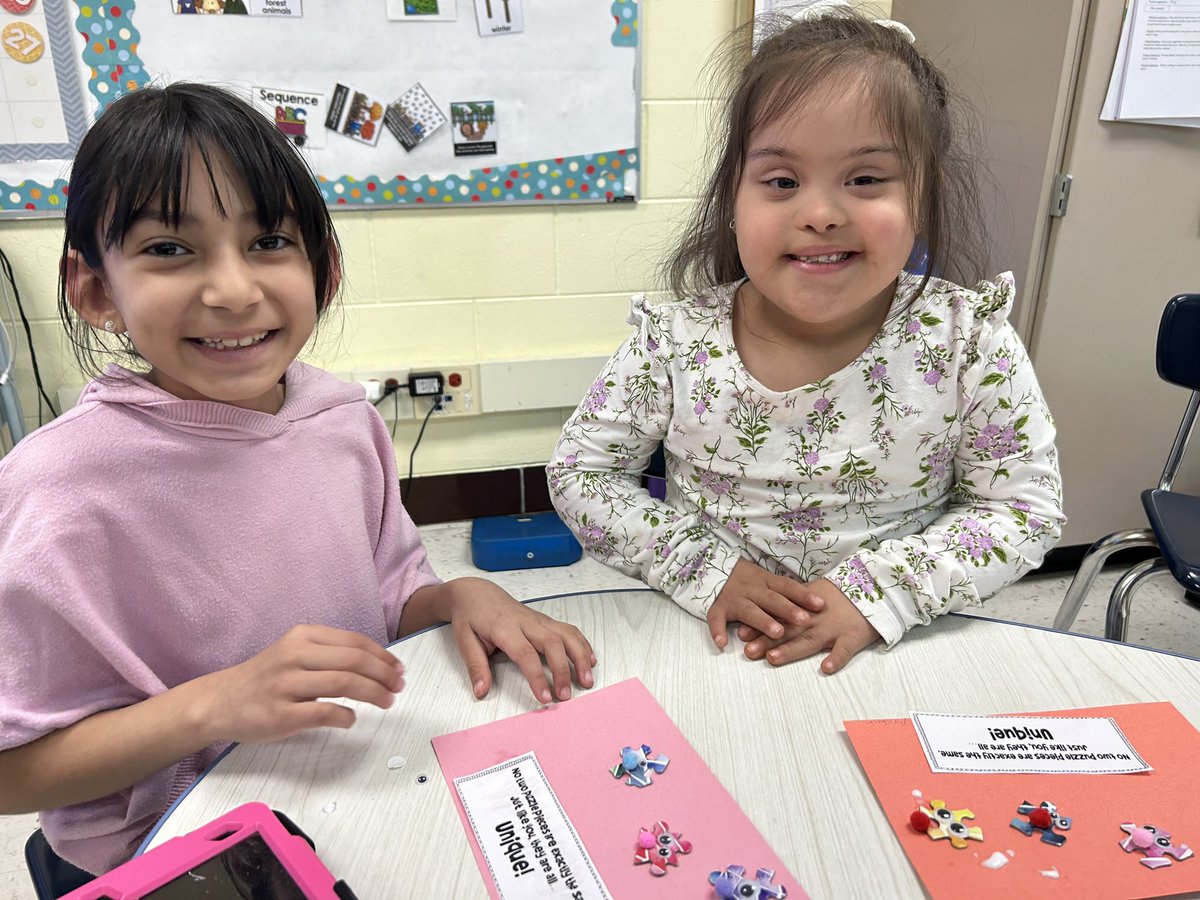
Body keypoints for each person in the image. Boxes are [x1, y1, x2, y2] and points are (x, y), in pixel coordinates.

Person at [0, 83, 594, 876]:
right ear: (97, 289)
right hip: (160, 858)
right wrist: (213, 703)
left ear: (324, 265)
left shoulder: (343, 420)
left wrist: (457, 597)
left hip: (346, 795)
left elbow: (389, 604)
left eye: (269, 240)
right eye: (169, 249)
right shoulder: (56, 487)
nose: (234, 290)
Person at [548, 10, 1064, 676]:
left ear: (923, 194)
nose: (820, 213)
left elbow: (1022, 506)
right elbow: (580, 473)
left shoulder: (967, 340)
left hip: (894, 643)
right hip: (711, 640)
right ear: (733, 197)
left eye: (866, 179)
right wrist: (705, 569)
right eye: (782, 182)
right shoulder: (675, 340)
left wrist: (879, 593)